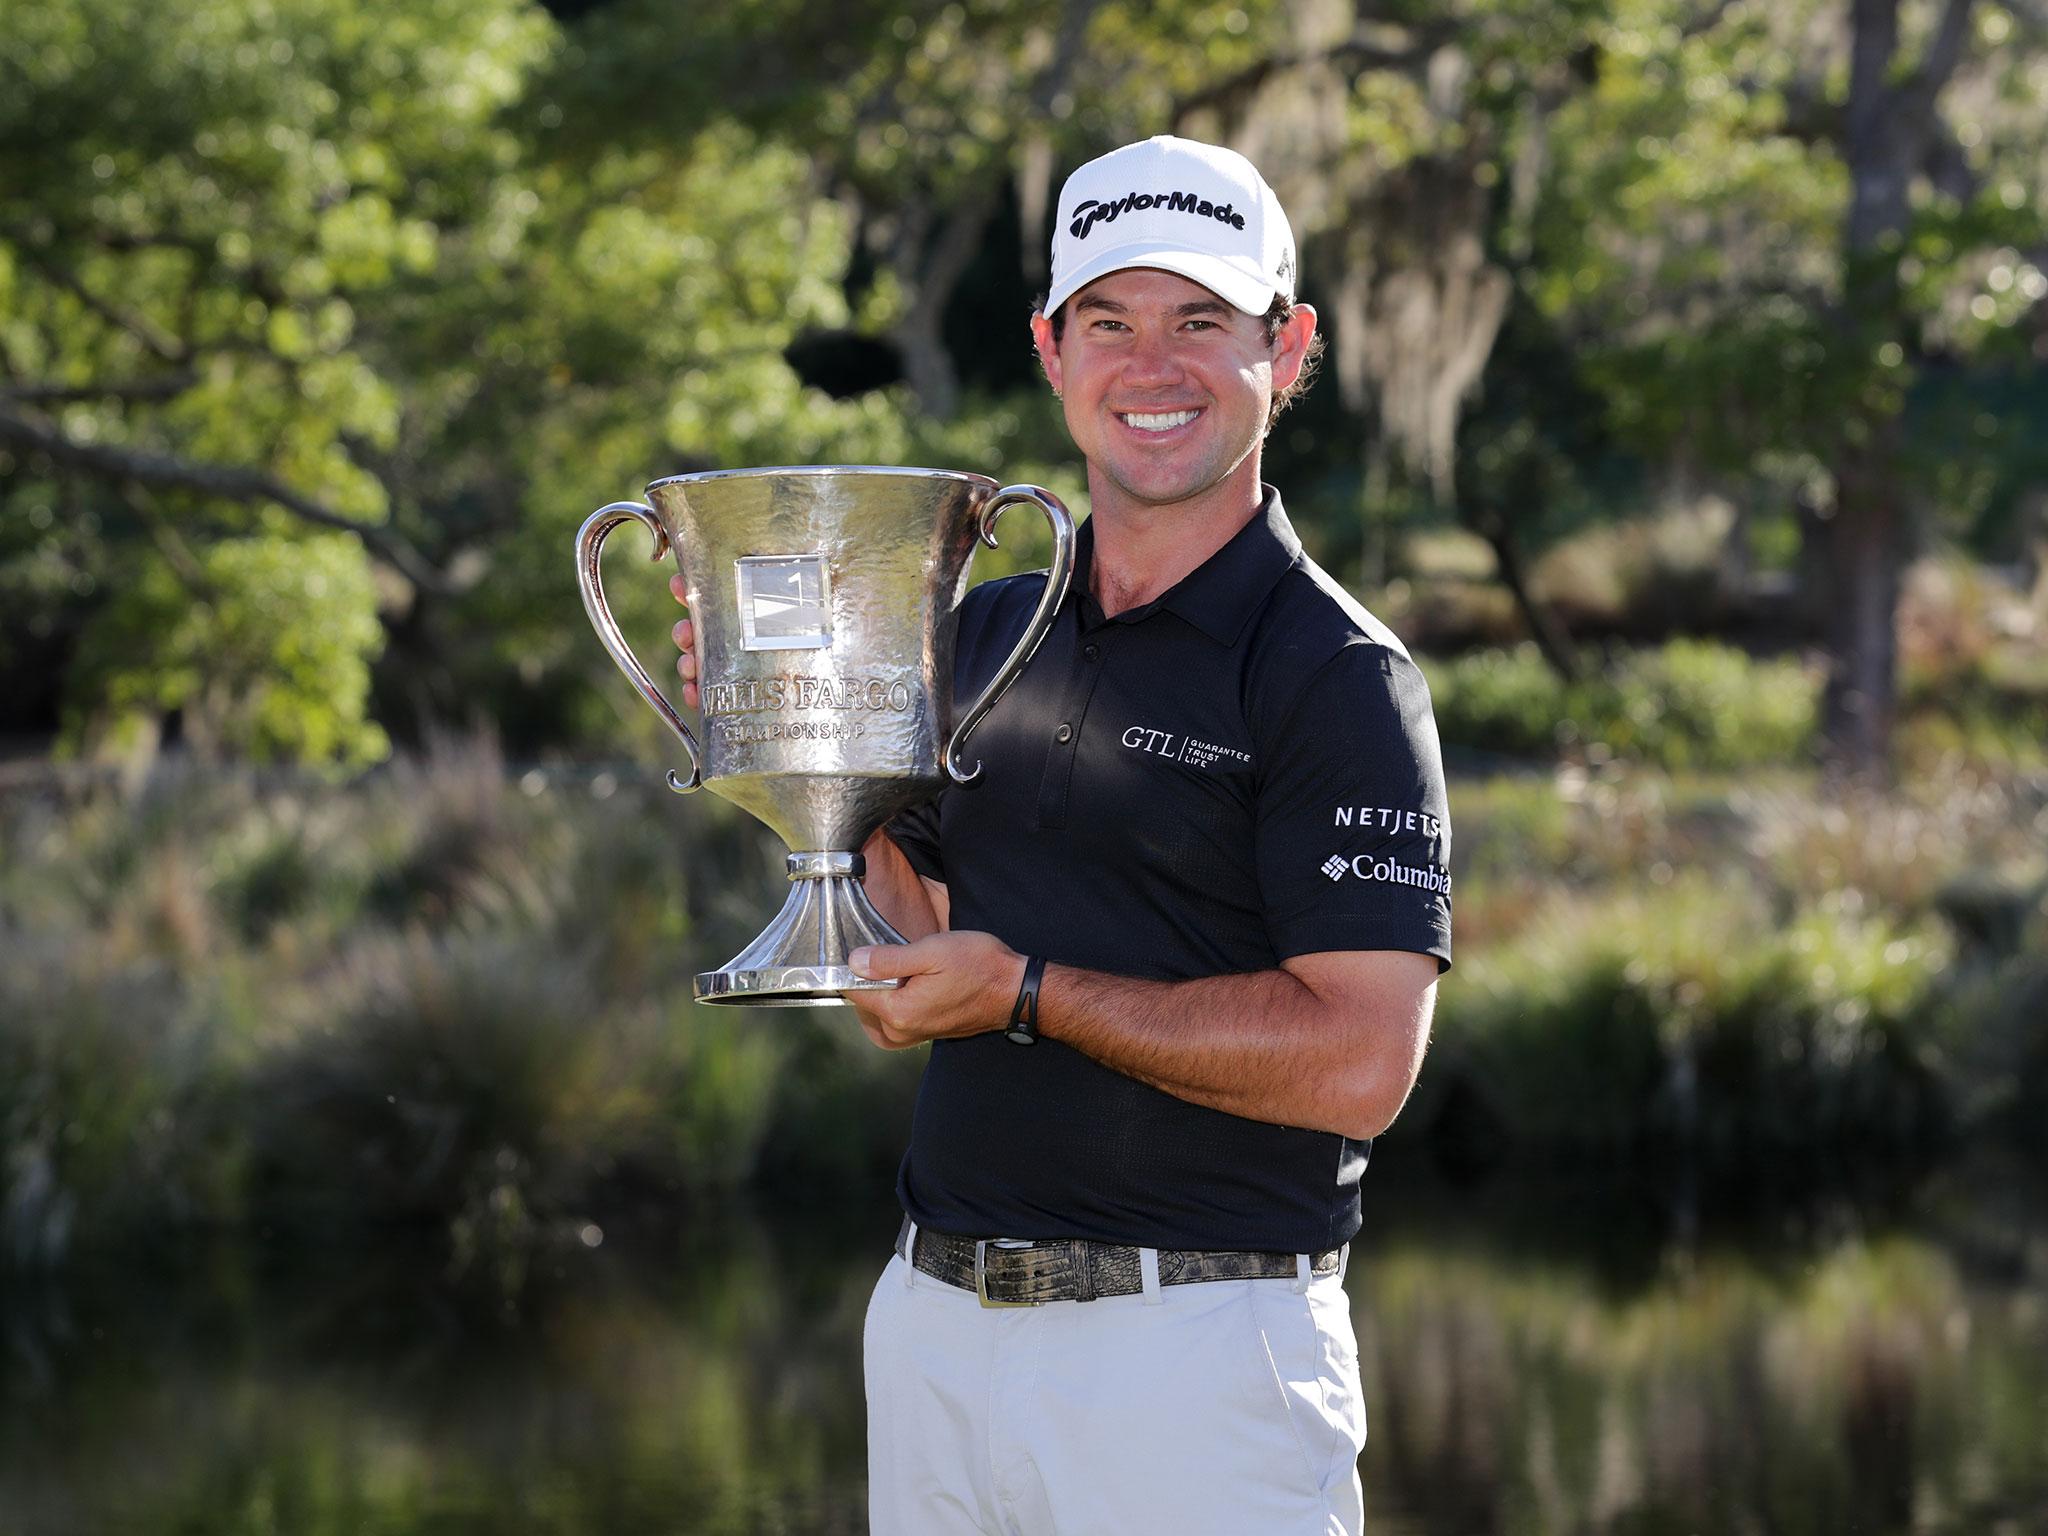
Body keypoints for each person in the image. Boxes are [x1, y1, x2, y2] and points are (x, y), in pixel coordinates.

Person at [670, 135, 1452, 1536]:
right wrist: (790, 748)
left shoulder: (1334, 674)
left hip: (1197, 1362)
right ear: (1049, 348)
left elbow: (1360, 1062)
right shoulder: (970, 634)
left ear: (1290, 348)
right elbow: (903, 980)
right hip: (936, 1335)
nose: (1151, 365)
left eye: (1201, 321)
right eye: (1111, 321)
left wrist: (1031, 995)